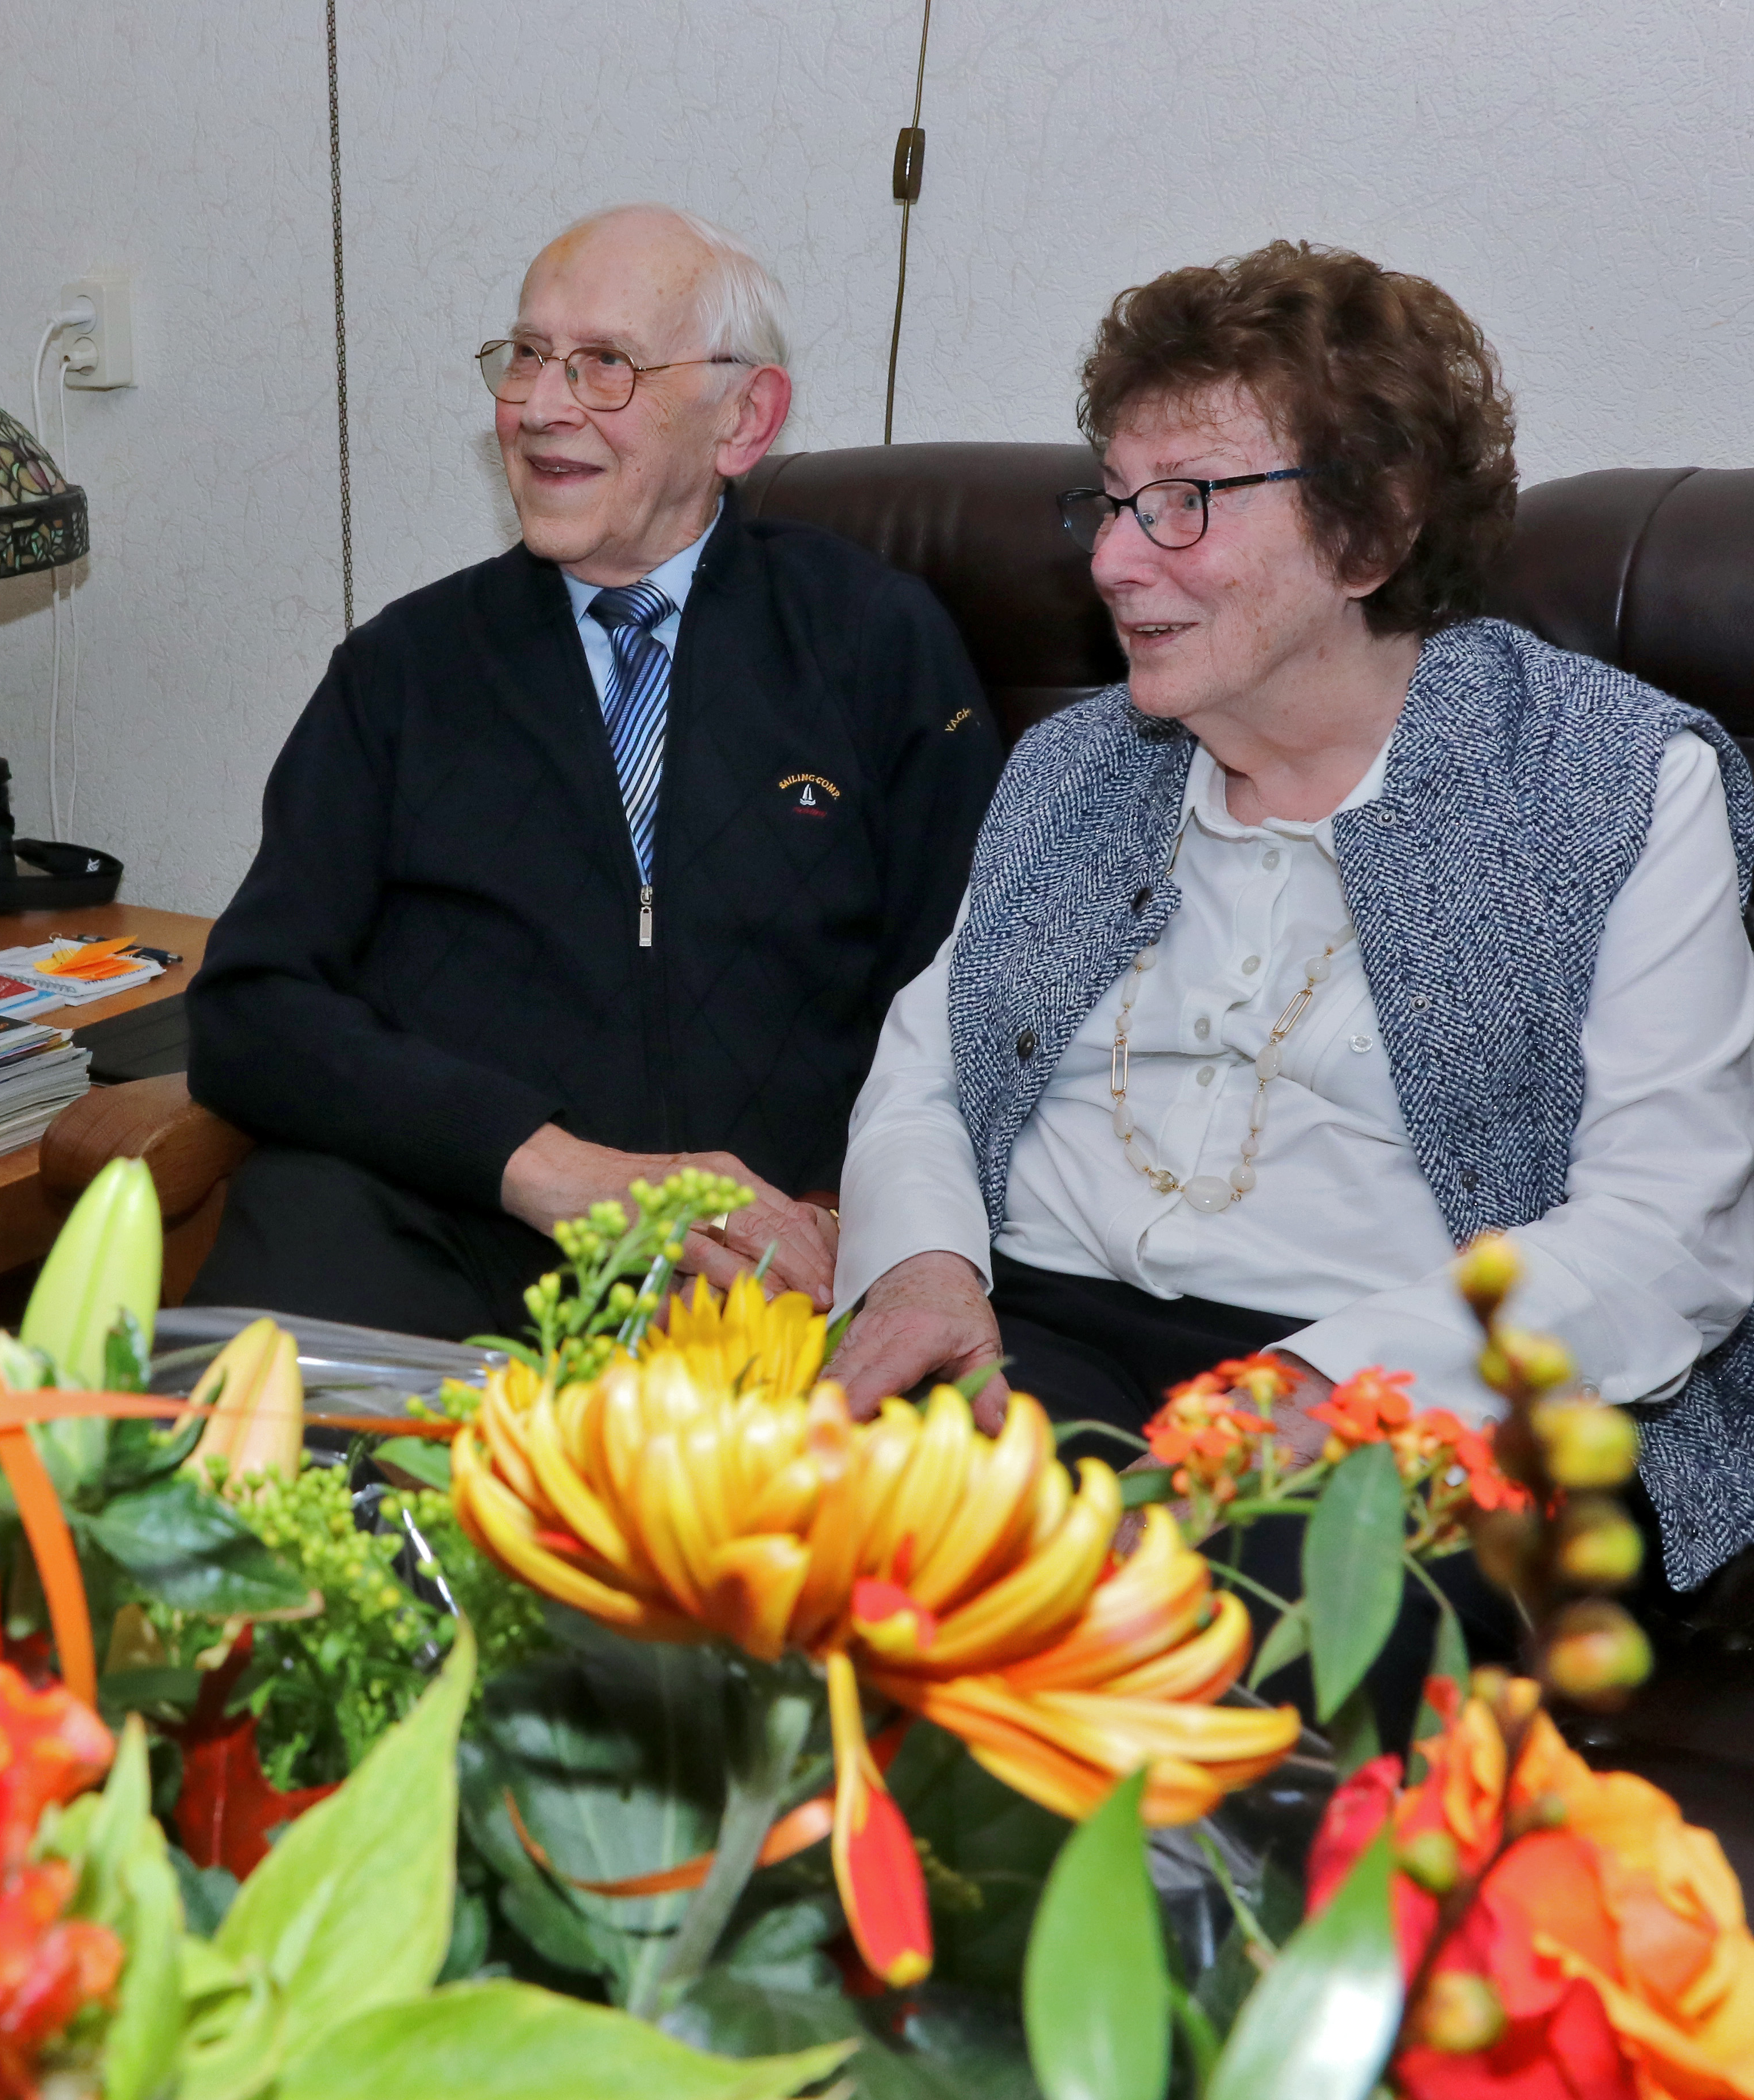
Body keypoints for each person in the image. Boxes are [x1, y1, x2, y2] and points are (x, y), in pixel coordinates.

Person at [827, 240, 1754, 1603]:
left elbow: (1667, 1231)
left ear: (1371, 531)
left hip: (1412, 1382)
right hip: (1044, 1323)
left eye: (1186, 503)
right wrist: (917, 1271)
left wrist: (1323, 1383)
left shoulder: (1610, 780)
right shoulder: (1071, 765)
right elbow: (929, 1069)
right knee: (787, 1552)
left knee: (1201, 1625)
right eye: (1115, 501)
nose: (1113, 562)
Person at [186, 203, 998, 1341]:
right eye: (526, 357)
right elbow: (251, 1013)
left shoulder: (871, 643)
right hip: (441, 1224)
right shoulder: (402, 669)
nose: (540, 407)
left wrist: (833, 1211)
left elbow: (969, 998)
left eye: (604, 365)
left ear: (742, 418)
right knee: (229, 1473)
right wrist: (546, 1167)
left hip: (763, 1265)